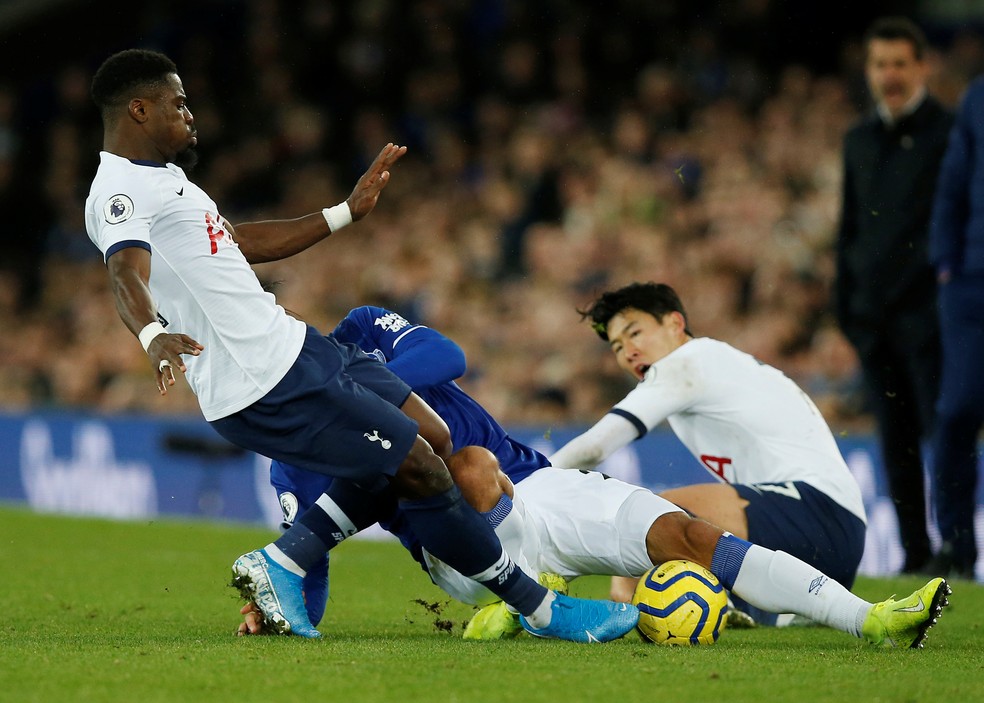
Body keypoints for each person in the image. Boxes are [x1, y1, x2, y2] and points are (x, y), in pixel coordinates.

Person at [84, 48, 638, 644]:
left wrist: (345, 212)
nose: (190, 113)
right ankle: (543, 609)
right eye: (178, 102)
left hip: (296, 345)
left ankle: (286, 561)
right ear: (139, 109)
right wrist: (151, 335)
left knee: (435, 438)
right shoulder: (117, 192)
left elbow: (237, 241)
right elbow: (126, 274)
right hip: (262, 377)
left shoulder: (167, 181)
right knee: (423, 470)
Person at [238, 306, 951, 649]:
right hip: (461, 538)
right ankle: (518, 595)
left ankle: (872, 618)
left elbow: (447, 353)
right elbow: (310, 550)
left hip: (543, 485)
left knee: (685, 533)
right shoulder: (292, 450)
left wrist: (361, 383)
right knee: (469, 465)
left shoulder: (363, 329)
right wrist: (277, 611)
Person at [548, 282, 868, 626]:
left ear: (675, 323)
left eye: (635, 332)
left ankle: (627, 616)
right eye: (617, 346)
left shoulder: (689, 361)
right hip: (831, 540)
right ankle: (771, 611)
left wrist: (533, 481)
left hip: (819, 511)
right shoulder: (710, 364)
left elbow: (595, 447)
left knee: (649, 519)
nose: (629, 351)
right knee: (683, 537)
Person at [834, 16, 953, 574]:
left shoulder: (950, 134)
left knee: (945, 434)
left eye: (900, 63)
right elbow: (850, 228)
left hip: (932, 320)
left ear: (922, 66)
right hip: (875, 325)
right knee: (896, 445)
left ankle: (957, 548)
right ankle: (915, 554)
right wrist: (848, 311)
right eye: (880, 64)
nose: (890, 75)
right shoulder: (858, 140)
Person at [926, 74, 984, 580]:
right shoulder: (979, 96)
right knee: (956, 410)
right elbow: (953, 182)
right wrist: (946, 262)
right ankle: (957, 547)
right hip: (972, 282)